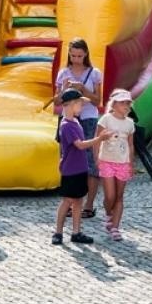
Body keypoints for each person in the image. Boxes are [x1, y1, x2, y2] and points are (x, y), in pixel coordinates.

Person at [54, 38, 103, 217]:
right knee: (67, 160)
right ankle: (69, 203)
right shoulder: (63, 73)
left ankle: (88, 205)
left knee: (90, 161)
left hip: (88, 118)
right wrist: (64, 90)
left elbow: (98, 101)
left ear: (86, 54)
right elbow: (57, 102)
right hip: (67, 119)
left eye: (80, 56)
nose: (76, 59)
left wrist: (83, 89)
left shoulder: (94, 73)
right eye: (73, 55)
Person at [52, 88, 97, 245]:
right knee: (68, 201)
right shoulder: (66, 125)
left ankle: (76, 231)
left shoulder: (75, 122)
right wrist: (99, 139)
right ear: (71, 105)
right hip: (71, 170)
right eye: (80, 104)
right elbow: (80, 145)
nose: (82, 107)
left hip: (80, 168)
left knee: (78, 201)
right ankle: (58, 232)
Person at [95, 90, 136, 240]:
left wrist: (130, 162)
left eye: (128, 103)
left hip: (123, 162)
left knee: (119, 196)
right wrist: (96, 158)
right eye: (123, 102)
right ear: (114, 104)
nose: (126, 105)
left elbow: (131, 145)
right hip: (106, 161)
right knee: (110, 195)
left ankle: (115, 227)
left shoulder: (130, 123)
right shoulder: (106, 119)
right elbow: (97, 139)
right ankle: (108, 213)